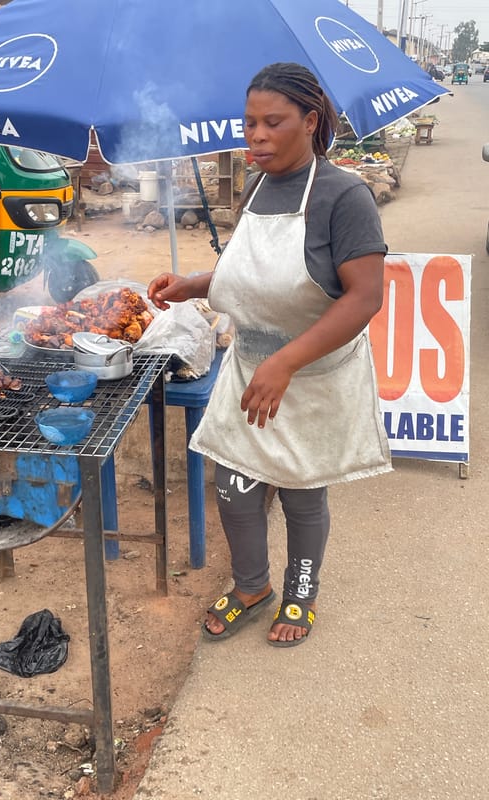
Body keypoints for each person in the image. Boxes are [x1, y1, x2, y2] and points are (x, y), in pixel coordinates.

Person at [148, 62, 392, 648]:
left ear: (310, 122)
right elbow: (255, 278)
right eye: (249, 122)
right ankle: (252, 585)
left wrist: (287, 363)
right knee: (233, 480)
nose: (255, 135)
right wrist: (196, 283)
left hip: (312, 376)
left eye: (272, 122)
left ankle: (301, 593)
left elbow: (364, 297)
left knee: (303, 487)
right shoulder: (258, 188)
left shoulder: (344, 194)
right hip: (250, 367)